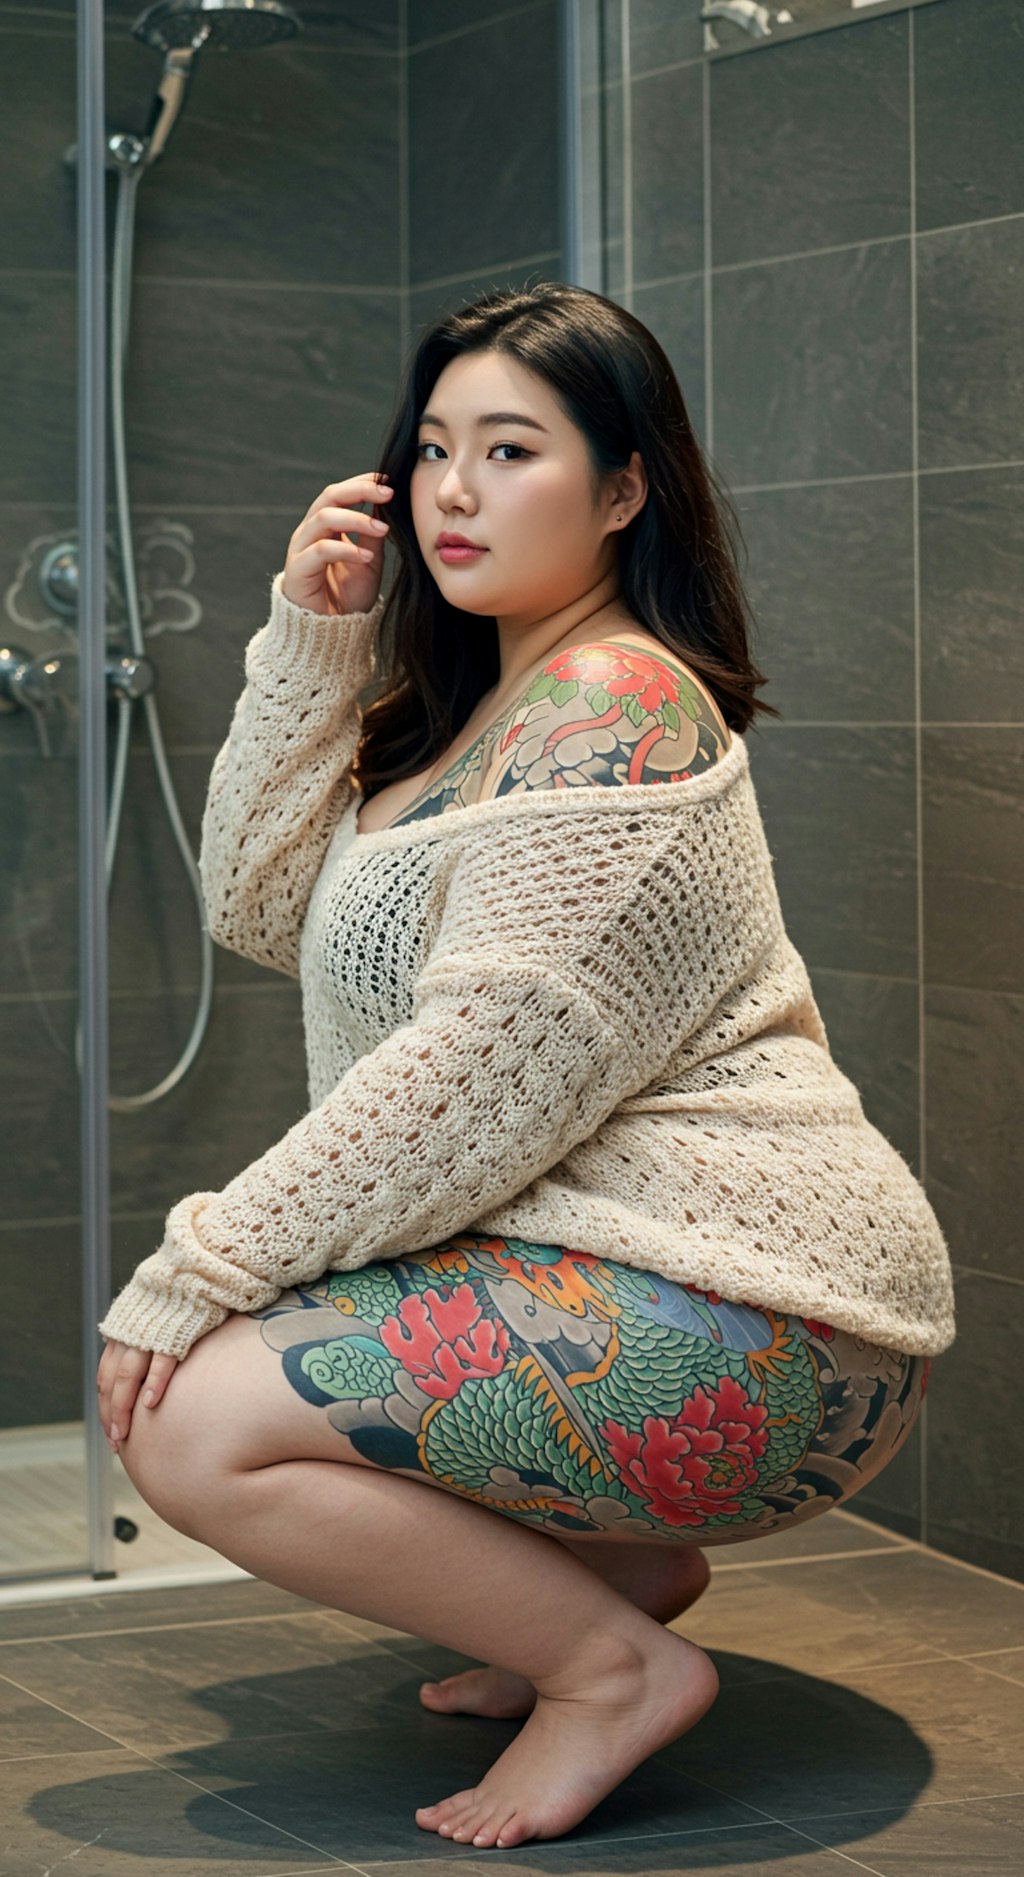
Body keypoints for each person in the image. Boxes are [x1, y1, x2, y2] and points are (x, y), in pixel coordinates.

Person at [96, 281, 956, 1851]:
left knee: (190, 1419)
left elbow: (464, 1079)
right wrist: (316, 635)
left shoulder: (612, 706)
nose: (454, 491)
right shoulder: (480, 709)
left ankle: (611, 1669)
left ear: (623, 490)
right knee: (234, 1359)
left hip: (770, 1313)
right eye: (433, 448)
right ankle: (613, 1575)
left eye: (510, 450)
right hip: (630, 1270)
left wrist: (198, 1262)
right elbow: (260, 903)